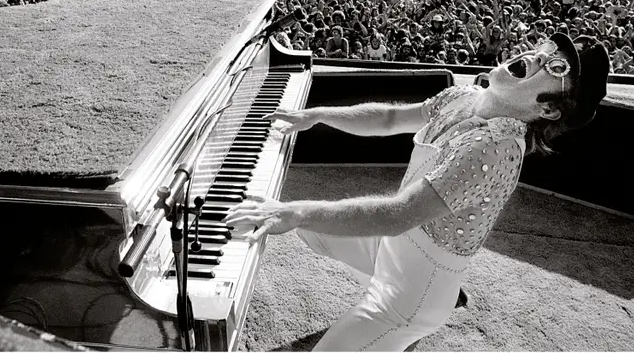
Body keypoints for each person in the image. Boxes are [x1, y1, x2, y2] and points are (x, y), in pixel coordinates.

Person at [225, 33, 611, 351]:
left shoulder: (493, 148)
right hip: (395, 249)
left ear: (550, 111)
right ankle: (421, 299)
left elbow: (397, 215)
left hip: (413, 293)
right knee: (314, 228)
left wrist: (292, 211)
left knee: (308, 227)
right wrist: (320, 114)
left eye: (555, 68)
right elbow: (390, 118)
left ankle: (421, 312)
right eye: (544, 48)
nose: (537, 57)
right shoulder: (465, 97)